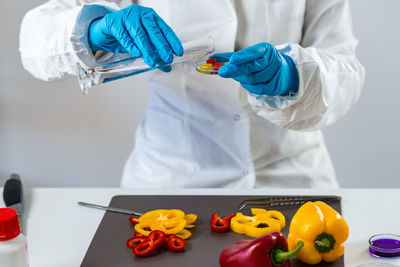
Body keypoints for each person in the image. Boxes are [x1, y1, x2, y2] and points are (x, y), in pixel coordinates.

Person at [19, 0, 365, 189]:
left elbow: (345, 68)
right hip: (174, 178)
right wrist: (92, 29)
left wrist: (292, 75)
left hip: (292, 176)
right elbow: (37, 40)